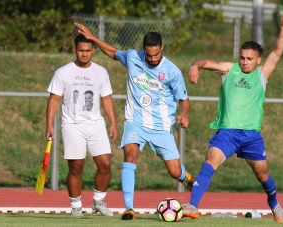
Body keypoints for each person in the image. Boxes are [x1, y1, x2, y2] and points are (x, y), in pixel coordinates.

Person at [181, 4, 283, 223]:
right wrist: (195, 65)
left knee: (263, 176)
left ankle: (273, 201)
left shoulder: (262, 75)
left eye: (249, 59)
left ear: (258, 60)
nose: (244, 62)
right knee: (210, 160)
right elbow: (204, 62)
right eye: (242, 57)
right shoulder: (229, 69)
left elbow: (278, 51)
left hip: (251, 135)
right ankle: (192, 205)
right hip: (227, 132)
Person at [74, 23, 195, 220]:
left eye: (156, 55)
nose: (153, 59)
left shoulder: (172, 71)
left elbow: (184, 99)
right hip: (135, 122)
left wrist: (184, 114)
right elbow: (113, 52)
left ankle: (192, 184)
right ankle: (129, 208)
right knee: (130, 157)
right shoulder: (133, 57)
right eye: (149, 55)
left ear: (162, 48)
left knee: (174, 171)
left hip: (161, 126)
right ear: (144, 50)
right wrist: (94, 38)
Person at [46, 34, 118, 217]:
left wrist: (113, 123)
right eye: (81, 50)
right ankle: (76, 206)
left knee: (105, 164)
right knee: (76, 167)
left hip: (95, 123)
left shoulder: (101, 72)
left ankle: (98, 201)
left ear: (93, 51)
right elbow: (54, 100)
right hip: (72, 124)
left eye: (88, 51)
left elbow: (107, 99)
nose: (84, 54)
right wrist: (49, 124)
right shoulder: (63, 72)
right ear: (74, 50)